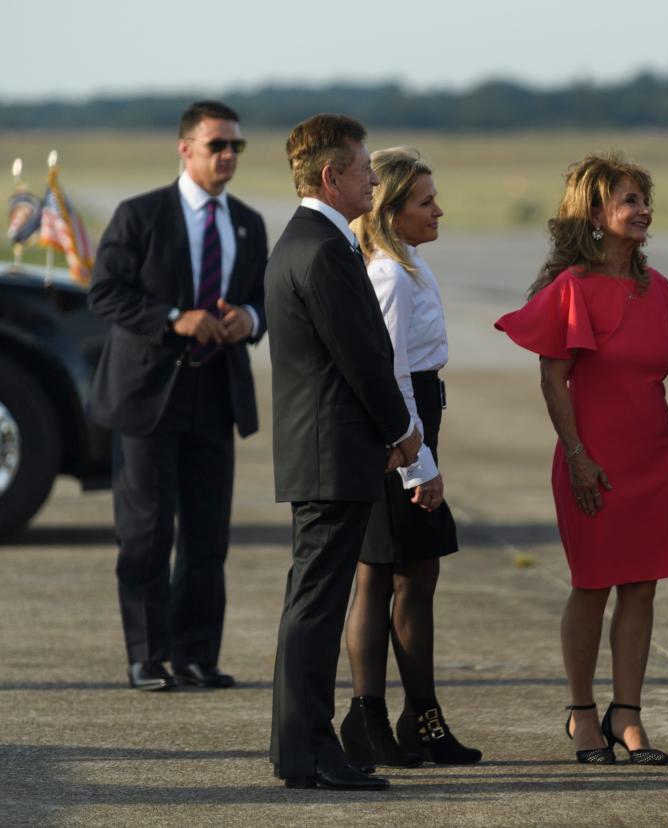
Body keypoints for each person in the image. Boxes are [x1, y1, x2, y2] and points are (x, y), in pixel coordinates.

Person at [496, 153, 668, 765]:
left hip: (653, 460)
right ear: (595, 214)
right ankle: (582, 714)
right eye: (630, 200)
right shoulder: (571, 289)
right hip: (593, 457)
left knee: (642, 589)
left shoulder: (658, 289)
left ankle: (628, 714)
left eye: (644, 199)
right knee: (592, 586)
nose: (643, 209)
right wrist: (577, 456)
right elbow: (554, 382)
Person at [266, 114, 423, 791]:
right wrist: (402, 433)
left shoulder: (302, 240)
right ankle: (308, 750)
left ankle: (298, 747)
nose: (372, 179)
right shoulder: (325, 249)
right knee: (316, 609)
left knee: (311, 604)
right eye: (364, 169)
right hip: (334, 456)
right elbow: (361, 357)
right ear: (332, 177)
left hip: (325, 452)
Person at [88, 100, 267, 692]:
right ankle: (146, 656)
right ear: (185, 148)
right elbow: (105, 293)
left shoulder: (246, 222)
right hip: (146, 398)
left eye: (235, 146)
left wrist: (250, 317)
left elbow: (266, 299)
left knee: (207, 536)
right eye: (217, 145)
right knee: (145, 534)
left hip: (215, 394)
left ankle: (196, 656)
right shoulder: (140, 215)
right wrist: (172, 318)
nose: (227, 156)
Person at [340, 148, 481, 768]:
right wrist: (416, 463)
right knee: (396, 576)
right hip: (403, 428)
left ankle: (403, 718)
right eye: (425, 201)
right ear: (392, 211)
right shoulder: (390, 275)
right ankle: (386, 718)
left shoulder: (405, 261)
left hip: (417, 418)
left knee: (400, 575)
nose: (438, 210)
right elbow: (391, 374)